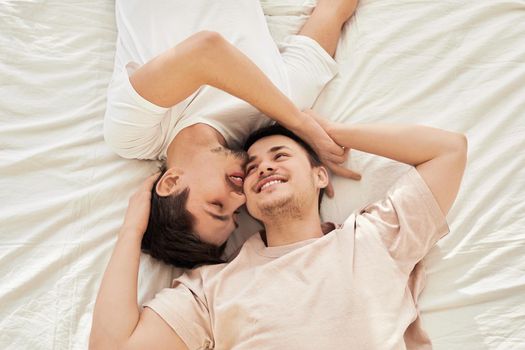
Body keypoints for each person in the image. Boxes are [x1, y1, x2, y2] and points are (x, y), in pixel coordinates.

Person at [90, 112, 468, 349]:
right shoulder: (212, 288)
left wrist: (329, 132)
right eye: (251, 168)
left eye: (280, 156)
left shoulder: (376, 237)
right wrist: (131, 230)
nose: (263, 168)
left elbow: (448, 150)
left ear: (321, 175)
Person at [104, 0, 360, 268]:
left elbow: (204, 50)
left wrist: (298, 122)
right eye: (235, 212)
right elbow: (334, 9)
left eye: (217, 206)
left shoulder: (135, 136)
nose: (240, 197)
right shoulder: (279, 105)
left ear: (171, 183)